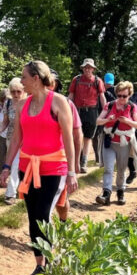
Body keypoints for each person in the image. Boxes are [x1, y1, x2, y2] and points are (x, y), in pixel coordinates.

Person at [1, 61, 79, 275]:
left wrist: (72, 172)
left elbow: (68, 138)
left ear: (36, 78)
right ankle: (40, 266)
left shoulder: (59, 101)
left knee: (43, 214)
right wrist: (7, 167)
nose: (21, 81)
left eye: (24, 77)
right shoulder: (22, 104)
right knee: (32, 216)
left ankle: (52, 258)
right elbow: (17, 138)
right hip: (28, 167)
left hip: (54, 168)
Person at [95, 81, 137, 206]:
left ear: (129, 95)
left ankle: (121, 191)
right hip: (110, 141)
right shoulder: (109, 105)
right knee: (108, 169)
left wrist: (128, 121)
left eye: (124, 96)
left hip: (124, 143)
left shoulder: (132, 107)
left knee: (121, 169)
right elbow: (98, 121)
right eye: (119, 95)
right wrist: (107, 119)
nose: (121, 99)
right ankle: (106, 193)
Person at [51, 70, 83, 222]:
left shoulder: (67, 104)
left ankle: (63, 222)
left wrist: (75, 161)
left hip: (61, 159)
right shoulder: (32, 102)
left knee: (60, 200)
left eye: (52, 80)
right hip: (38, 159)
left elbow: (77, 134)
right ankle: (42, 231)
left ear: (57, 83)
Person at [67, 58, 106, 174]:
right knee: (76, 136)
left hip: (92, 111)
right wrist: (66, 109)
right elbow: (71, 95)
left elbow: (102, 97)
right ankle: (76, 162)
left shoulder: (98, 81)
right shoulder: (76, 80)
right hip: (77, 111)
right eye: (86, 67)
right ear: (83, 68)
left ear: (93, 69)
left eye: (90, 68)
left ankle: (83, 162)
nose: (88, 70)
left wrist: (106, 111)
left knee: (88, 138)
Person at [0, 77, 26, 204]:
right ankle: (16, 191)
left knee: (18, 165)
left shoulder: (28, 103)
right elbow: (5, 121)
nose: (15, 94)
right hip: (11, 138)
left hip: (26, 139)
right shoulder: (8, 104)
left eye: (18, 91)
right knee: (15, 164)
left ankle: (12, 193)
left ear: (23, 91)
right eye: (13, 91)